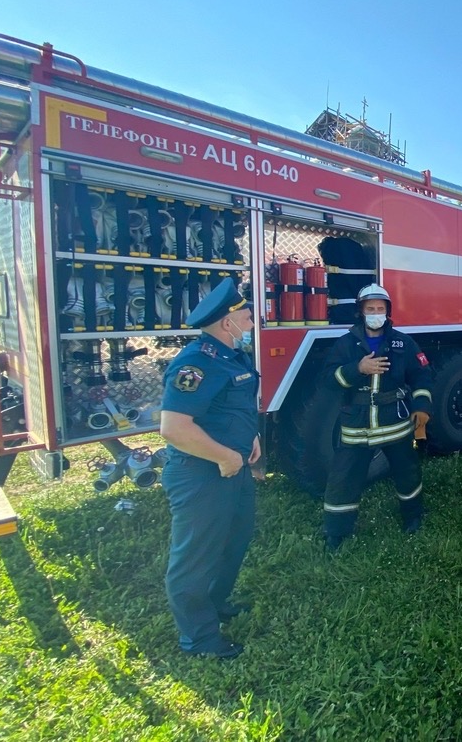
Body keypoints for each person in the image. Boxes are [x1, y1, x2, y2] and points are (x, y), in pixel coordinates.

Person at [159, 278, 260, 659]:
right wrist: (223, 456)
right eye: (244, 312)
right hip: (202, 473)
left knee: (234, 539)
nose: (250, 317)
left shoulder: (232, 354)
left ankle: (215, 604)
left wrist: (250, 439)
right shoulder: (197, 362)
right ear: (226, 321)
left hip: (232, 465)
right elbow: (174, 428)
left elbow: (233, 407)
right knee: (196, 556)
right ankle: (199, 639)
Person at [319, 283, 432, 548]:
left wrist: (421, 406)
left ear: (388, 312)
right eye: (370, 308)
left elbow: (422, 375)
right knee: (343, 479)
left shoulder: (403, 343)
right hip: (356, 427)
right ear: (361, 312)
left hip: (396, 425)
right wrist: (357, 368)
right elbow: (327, 380)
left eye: (380, 309)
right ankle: (337, 532)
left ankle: (412, 517)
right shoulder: (345, 345)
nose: (376, 313)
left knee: (408, 473)